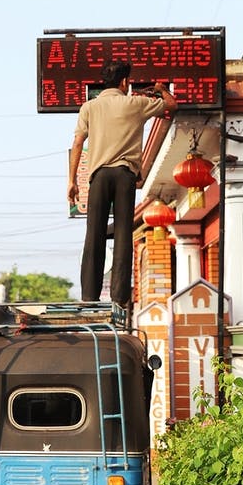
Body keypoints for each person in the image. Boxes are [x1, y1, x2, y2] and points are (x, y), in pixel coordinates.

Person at [67, 60, 178, 308]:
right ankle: (119, 297)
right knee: (122, 233)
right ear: (125, 82)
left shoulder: (89, 107)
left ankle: (89, 296)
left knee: (93, 234)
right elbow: (172, 105)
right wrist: (161, 90)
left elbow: (77, 143)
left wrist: (72, 181)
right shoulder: (136, 103)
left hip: (99, 176)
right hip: (125, 175)